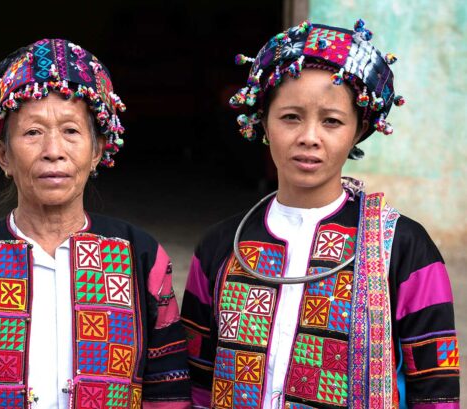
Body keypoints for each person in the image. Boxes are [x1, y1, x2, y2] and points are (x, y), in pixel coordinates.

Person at [181, 20, 460, 409]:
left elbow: (436, 389)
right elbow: (196, 380)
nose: (309, 137)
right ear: (263, 121)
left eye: (331, 121)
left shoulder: (407, 249)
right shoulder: (220, 247)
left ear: (359, 129)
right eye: (290, 117)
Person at [0, 39, 190, 409]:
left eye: (71, 131)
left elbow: (168, 391)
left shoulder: (141, 257)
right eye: (32, 132)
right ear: (3, 155)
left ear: (97, 151)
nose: (53, 150)